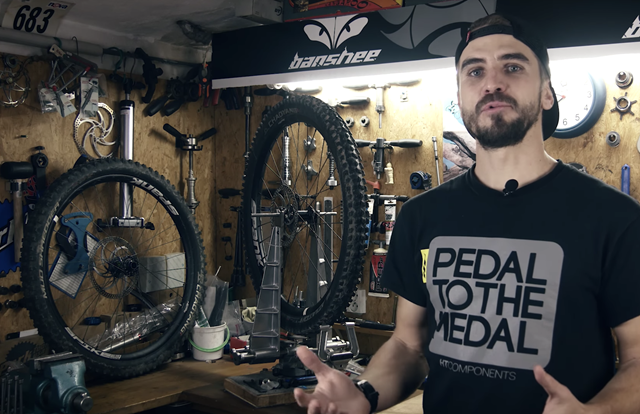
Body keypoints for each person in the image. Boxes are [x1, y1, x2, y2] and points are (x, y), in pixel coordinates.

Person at [293, 12, 640, 414]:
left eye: (513, 66)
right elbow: (408, 345)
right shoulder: (422, 216)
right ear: (460, 99)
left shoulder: (613, 218)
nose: (492, 82)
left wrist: (597, 412)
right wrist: (365, 393)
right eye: (475, 71)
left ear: (548, 93)